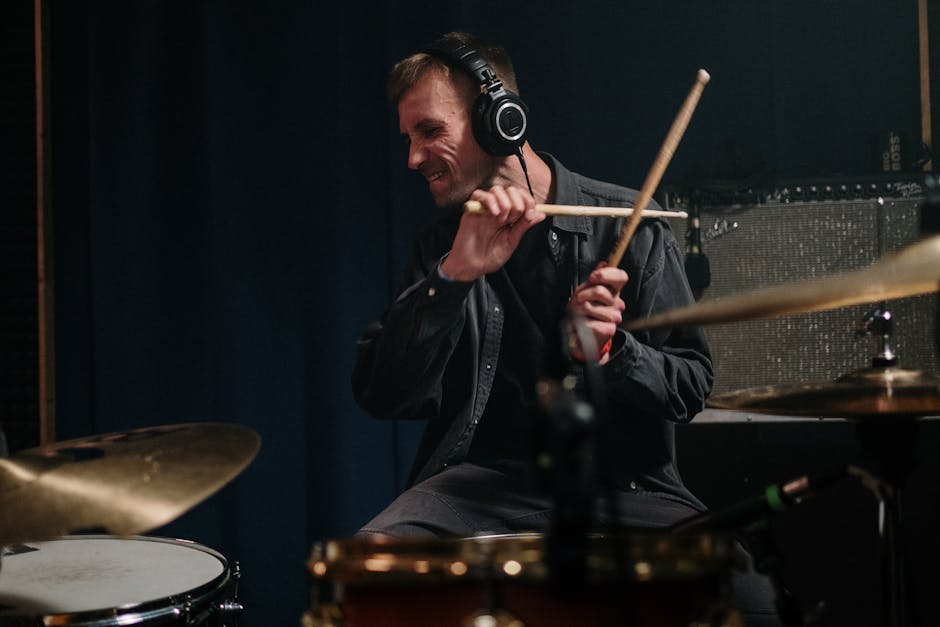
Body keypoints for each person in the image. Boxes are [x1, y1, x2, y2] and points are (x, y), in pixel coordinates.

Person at [352, 31, 713, 538]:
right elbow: (382, 395)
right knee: (375, 566)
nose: (413, 158)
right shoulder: (441, 247)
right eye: (409, 139)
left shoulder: (630, 222)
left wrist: (611, 352)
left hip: (624, 487)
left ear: (500, 120)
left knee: (747, 596)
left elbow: (691, 385)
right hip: (480, 487)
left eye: (429, 131)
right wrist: (454, 276)